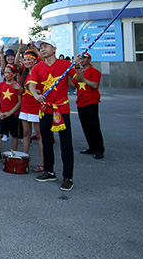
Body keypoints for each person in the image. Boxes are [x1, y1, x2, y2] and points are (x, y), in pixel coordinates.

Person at [28, 39, 79, 191]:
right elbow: (31, 84)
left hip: (61, 109)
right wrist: (35, 95)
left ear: (54, 48)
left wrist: (77, 66)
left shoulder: (65, 65)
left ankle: (68, 177)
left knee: (66, 143)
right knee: (46, 141)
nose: (42, 49)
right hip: (45, 109)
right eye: (41, 47)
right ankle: (49, 171)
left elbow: (79, 79)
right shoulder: (37, 67)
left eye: (46, 46)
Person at [71, 52, 105, 159]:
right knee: (85, 126)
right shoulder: (78, 72)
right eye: (81, 58)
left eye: (85, 58)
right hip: (80, 102)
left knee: (94, 126)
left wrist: (83, 79)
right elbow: (73, 86)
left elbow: (94, 85)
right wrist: (67, 77)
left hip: (91, 102)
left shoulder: (94, 71)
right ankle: (91, 147)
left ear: (89, 60)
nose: (82, 60)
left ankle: (99, 149)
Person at [0, 64, 22, 164]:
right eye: (5, 73)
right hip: (2, 114)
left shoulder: (17, 86)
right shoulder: (1, 85)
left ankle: (13, 153)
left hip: (13, 115)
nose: (7, 75)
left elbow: (19, 102)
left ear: (14, 74)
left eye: (9, 73)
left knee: (14, 135)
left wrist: (10, 113)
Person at [18, 48, 44, 172]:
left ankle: (42, 163)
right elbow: (25, 91)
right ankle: (24, 159)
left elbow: (45, 91)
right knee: (25, 133)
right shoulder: (25, 73)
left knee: (39, 135)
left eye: (30, 60)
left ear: (35, 61)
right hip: (25, 105)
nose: (27, 62)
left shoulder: (39, 72)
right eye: (26, 59)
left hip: (37, 106)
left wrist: (33, 89)